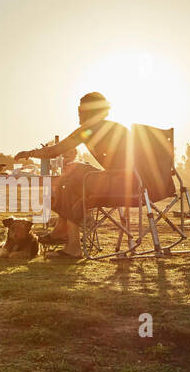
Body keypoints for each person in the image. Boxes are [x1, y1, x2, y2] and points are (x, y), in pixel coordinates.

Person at [14, 92, 131, 259]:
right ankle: (69, 239)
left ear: (89, 111)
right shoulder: (116, 127)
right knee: (72, 183)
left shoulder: (89, 129)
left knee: (74, 170)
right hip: (132, 182)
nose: (78, 113)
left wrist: (29, 153)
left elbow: (54, 151)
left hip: (120, 183)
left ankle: (65, 235)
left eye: (81, 110)